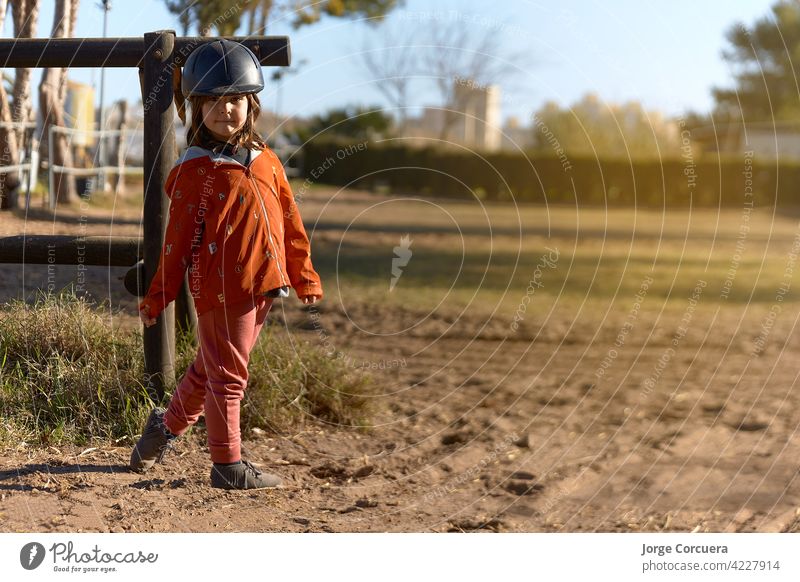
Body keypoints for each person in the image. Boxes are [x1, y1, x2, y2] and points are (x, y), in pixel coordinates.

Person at [130, 40, 323, 490]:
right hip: (219, 290)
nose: (225, 109)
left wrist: (303, 272)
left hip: (265, 284)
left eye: (234, 99)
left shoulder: (266, 160)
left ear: (251, 104)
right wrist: (159, 294)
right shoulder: (196, 171)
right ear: (195, 107)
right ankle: (226, 464)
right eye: (212, 100)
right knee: (228, 375)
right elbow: (175, 242)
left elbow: (290, 219)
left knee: (211, 367)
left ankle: (164, 428)